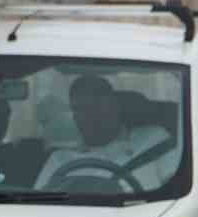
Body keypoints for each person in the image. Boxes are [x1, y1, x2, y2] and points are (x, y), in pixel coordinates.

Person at [34, 75, 178, 190]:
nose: (88, 116)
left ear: (115, 107)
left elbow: (176, 195)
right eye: (80, 109)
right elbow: (40, 207)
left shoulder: (155, 141)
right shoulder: (60, 159)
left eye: (95, 106)